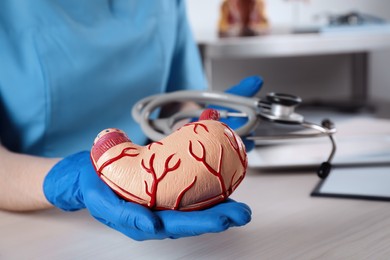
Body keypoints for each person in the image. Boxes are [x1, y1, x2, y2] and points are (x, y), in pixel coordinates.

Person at [0, 1, 263, 241]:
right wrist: (67, 180)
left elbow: (178, 97)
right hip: (31, 225)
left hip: (150, 193)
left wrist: (192, 131)